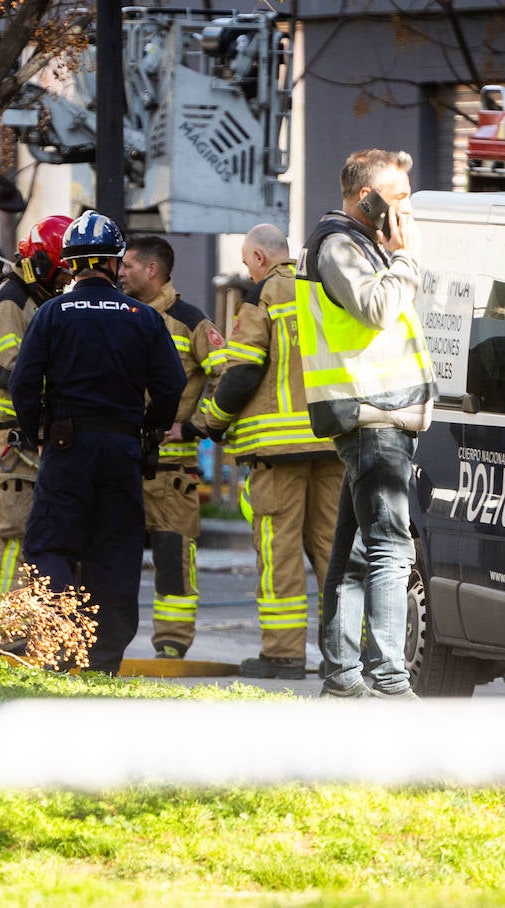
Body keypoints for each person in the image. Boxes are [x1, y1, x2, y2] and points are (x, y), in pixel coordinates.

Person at [10, 211, 185, 675]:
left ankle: (62, 641)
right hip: (123, 451)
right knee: (115, 551)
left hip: (67, 450)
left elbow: (25, 385)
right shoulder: (143, 317)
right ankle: (102, 659)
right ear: (113, 263)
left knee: (50, 546)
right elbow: (171, 386)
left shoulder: (51, 314)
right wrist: (150, 431)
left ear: (69, 264)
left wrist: (36, 434)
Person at [297, 149, 436, 700]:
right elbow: (377, 309)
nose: (406, 208)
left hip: (376, 414)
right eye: (398, 197)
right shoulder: (339, 247)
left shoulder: (358, 245)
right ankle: (389, 680)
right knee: (390, 549)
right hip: (373, 416)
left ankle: (342, 679)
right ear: (365, 197)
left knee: (354, 554)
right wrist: (406, 259)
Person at [201, 224, 344, 680]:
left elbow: (243, 372)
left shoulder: (265, 295)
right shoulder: (327, 290)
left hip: (278, 451)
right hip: (332, 443)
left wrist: (210, 421)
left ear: (261, 258)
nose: (247, 269)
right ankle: (344, 656)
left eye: (247, 262)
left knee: (278, 552)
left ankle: (283, 655)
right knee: (332, 550)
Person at [118, 235, 225, 660]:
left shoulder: (191, 321)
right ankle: (104, 641)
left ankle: (172, 645)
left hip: (173, 472)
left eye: (127, 265)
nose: (120, 271)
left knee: (174, 558)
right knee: (113, 556)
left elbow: (227, 374)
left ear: (152, 270)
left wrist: (196, 425)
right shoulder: (119, 313)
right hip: (122, 460)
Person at [0, 214, 73, 610]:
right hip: (16, 437)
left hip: (39, 434)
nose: (64, 281)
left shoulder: (38, 300)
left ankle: (33, 626)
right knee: (14, 534)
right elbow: (8, 369)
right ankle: (6, 632)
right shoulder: (10, 300)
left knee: (43, 536)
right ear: (40, 261)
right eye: (60, 271)